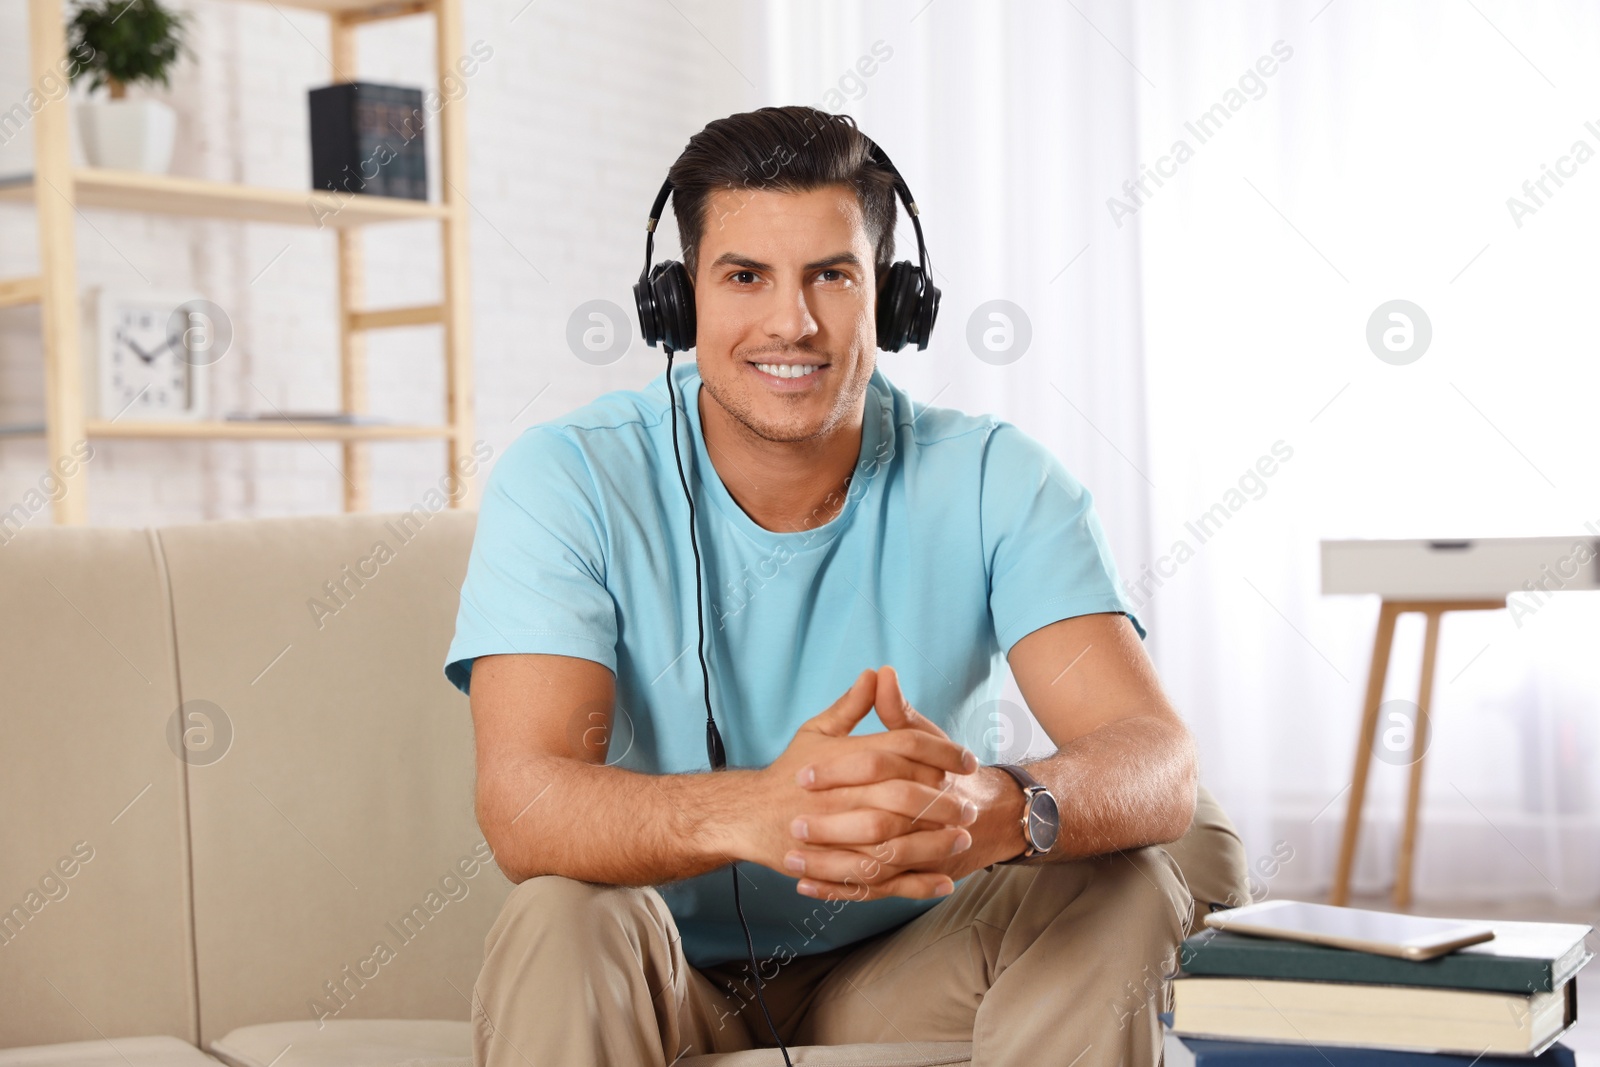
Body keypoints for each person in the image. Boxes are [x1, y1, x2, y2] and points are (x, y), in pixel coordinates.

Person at [443, 104, 1250, 1067]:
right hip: (659, 978)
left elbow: (1156, 757)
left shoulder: (1000, 478)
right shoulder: (567, 477)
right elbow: (524, 803)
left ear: (894, 301)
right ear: (679, 300)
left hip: (911, 965)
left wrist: (998, 806)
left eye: (832, 275)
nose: (793, 321)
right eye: (746, 276)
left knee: (1123, 882)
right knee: (557, 913)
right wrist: (754, 810)